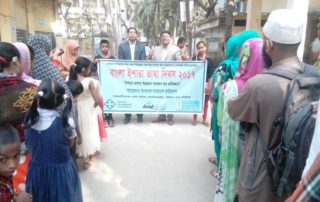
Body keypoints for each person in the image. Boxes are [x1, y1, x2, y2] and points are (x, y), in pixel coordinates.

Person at [227, 9, 305, 202]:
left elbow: (233, 110)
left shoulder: (259, 85)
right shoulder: (314, 80)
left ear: (268, 44)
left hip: (261, 181)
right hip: (300, 180)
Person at [214, 38, 265, 202]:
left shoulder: (231, 83)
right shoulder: (276, 85)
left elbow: (223, 119)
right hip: (262, 158)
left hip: (234, 148)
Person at [24, 78, 82, 202]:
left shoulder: (29, 120)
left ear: (38, 98)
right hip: (61, 176)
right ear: (61, 102)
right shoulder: (66, 123)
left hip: (37, 174)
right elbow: (70, 144)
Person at [69, 56, 100, 170]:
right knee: (89, 132)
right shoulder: (89, 81)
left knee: (78, 131)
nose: (90, 70)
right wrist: (94, 106)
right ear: (83, 70)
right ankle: (87, 159)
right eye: (89, 68)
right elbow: (97, 100)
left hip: (75, 108)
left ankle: (77, 154)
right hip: (88, 108)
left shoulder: (69, 78)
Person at [150, 31, 182, 125]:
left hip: (170, 78)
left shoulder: (175, 49)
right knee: (159, 97)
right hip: (158, 78)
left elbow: (179, 62)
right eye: (163, 36)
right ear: (161, 38)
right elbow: (152, 61)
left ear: (170, 38)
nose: (165, 38)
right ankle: (161, 115)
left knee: (170, 97)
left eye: (167, 36)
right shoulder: (156, 49)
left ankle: (170, 116)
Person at [118, 27, 146, 124]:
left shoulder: (141, 46)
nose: (132, 34)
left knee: (139, 95)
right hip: (126, 75)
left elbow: (143, 61)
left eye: (134, 32)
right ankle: (127, 116)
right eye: (130, 32)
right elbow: (120, 61)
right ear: (127, 34)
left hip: (138, 75)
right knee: (127, 95)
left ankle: (140, 115)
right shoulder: (122, 46)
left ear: (136, 35)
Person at [0, 125, 33, 202]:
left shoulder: (4, 173)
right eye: (2, 159)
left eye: (16, 156)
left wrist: (13, 196)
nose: (13, 165)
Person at [93, 39, 116, 127]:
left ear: (109, 48)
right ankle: (104, 118)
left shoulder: (112, 58)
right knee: (102, 100)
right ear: (100, 48)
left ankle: (110, 117)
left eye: (106, 47)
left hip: (110, 84)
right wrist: (94, 63)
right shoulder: (97, 57)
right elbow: (92, 70)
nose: (104, 48)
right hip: (101, 83)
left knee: (110, 100)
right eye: (103, 47)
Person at [191, 41, 214, 126]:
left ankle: (204, 119)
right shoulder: (194, 59)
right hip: (196, 84)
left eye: (202, 47)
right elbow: (191, 71)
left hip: (206, 83)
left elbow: (211, 73)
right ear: (197, 49)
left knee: (205, 102)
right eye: (199, 48)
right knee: (196, 101)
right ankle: (194, 118)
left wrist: (209, 84)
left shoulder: (209, 60)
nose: (200, 49)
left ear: (205, 47)